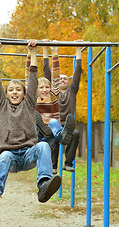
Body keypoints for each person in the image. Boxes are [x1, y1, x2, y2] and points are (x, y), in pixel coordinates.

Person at [0, 38, 62, 205]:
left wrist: (33, 53)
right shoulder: (2, 105)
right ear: (6, 94)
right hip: (12, 157)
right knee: (5, 156)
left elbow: (33, 80)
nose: (14, 92)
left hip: (29, 153)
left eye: (18, 90)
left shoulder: (29, 104)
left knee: (44, 145)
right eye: (10, 90)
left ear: (25, 93)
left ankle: (43, 185)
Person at [26, 40, 76, 161]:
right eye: (41, 87)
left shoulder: (53, 96)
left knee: (53, 122)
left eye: (47, 87)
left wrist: (55, 52)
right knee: (48, 123)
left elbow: (55, 76)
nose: (45, 89)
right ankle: (46, 128)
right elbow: (28, 76)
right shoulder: (32, 97)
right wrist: (29, 53)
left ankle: (62, 136)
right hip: (37, 134)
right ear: (36, 89)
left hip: (51, 135)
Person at [50, 43, 82, 173]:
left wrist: (78, 50)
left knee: (75, 133)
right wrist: (52, 51)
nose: (62, 80)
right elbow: (49, 73)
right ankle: (53, 166)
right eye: (60, 79)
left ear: (68, 82)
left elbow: (77, 73)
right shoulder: (53, 92)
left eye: (65, 79)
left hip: (68, 127)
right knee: (52, 137)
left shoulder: (72, 91)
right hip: (55, 125)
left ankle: (68, 163)